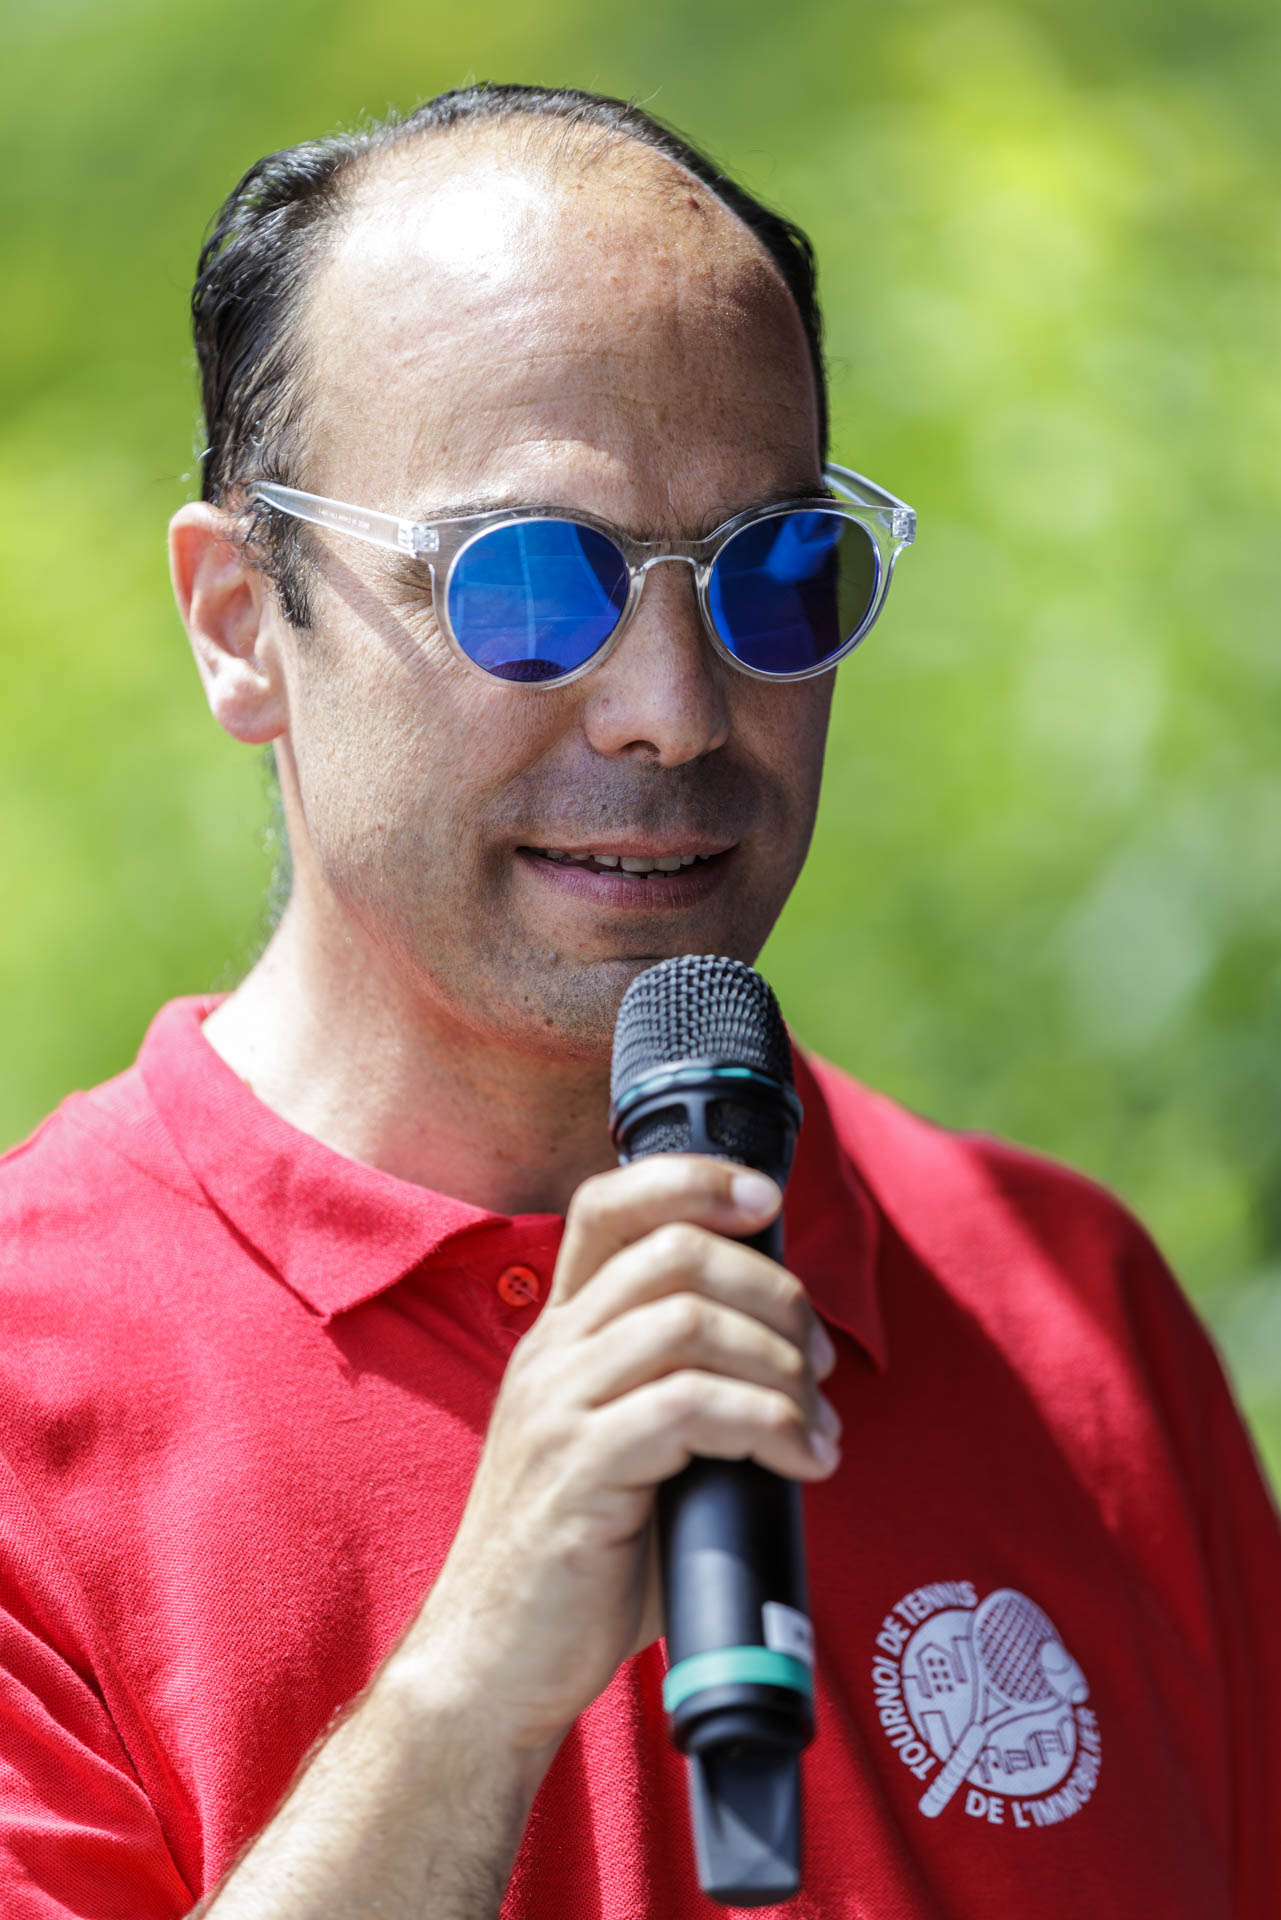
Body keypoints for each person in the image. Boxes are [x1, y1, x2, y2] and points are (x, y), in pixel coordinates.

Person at [0, 82, 1277, 1920]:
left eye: (777, 578)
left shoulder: (1064, 1308)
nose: (672, 708)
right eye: (527, 584)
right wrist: (465, 1701)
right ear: (238, 621)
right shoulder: (34, 1386)